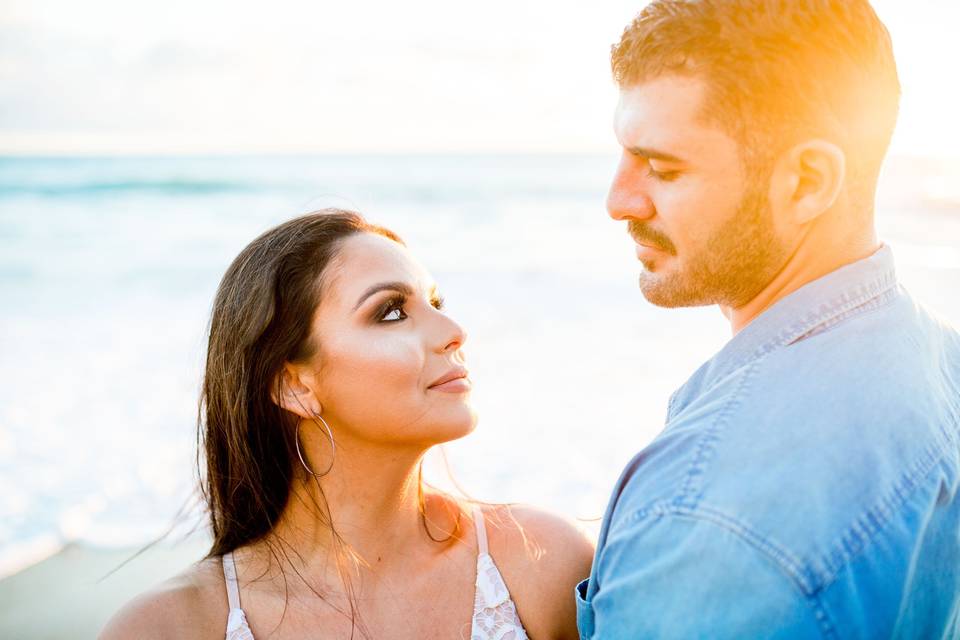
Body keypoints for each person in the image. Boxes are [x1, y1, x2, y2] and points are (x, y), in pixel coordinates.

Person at [576, 1, 960, 638]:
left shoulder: (706, 520)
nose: (619, 200)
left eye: (663, 167)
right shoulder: (939, 360)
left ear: (808, 181)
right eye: (622, 155)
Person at [100, 211, 593, 639]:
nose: (454, 332)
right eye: (392, 312)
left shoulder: (540, 561)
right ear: (294, 385)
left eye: (435, 304)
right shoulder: (169, 627)